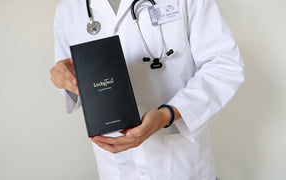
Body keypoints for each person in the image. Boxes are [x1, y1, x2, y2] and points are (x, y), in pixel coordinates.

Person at [50, 0, 245, 179]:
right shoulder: (69, 8)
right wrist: (66, 79)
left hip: (181, 167)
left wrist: (168, 114)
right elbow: (73, 83)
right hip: (117, 169)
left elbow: (224, 65)